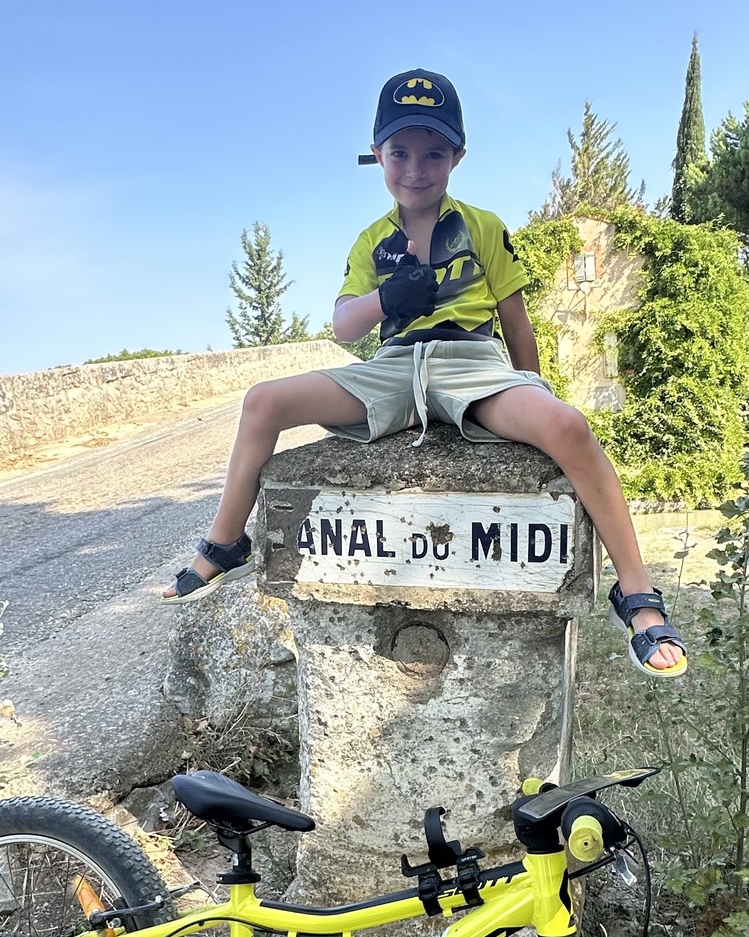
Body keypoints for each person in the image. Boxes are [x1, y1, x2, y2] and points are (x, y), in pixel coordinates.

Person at [164, 69, 686, 679]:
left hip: (471, 364)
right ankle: (225, 541)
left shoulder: (484, 227)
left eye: (433, 153)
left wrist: (531, 394)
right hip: (393, 366)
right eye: (400, 152)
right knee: (262, 402)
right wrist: (389, 299)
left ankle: (638, 594)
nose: (416, 168)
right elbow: (343, 327)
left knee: (568, 426)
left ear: (456, 157)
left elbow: (517, 327)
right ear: (378, 155)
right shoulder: (370, 241)